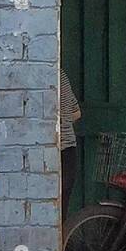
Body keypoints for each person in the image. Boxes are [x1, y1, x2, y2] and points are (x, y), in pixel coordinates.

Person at [59, 68, 82, 215]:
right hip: (68, 149)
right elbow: (77, 113)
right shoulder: (62, 75)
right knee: (61, 209)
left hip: (58, 150)